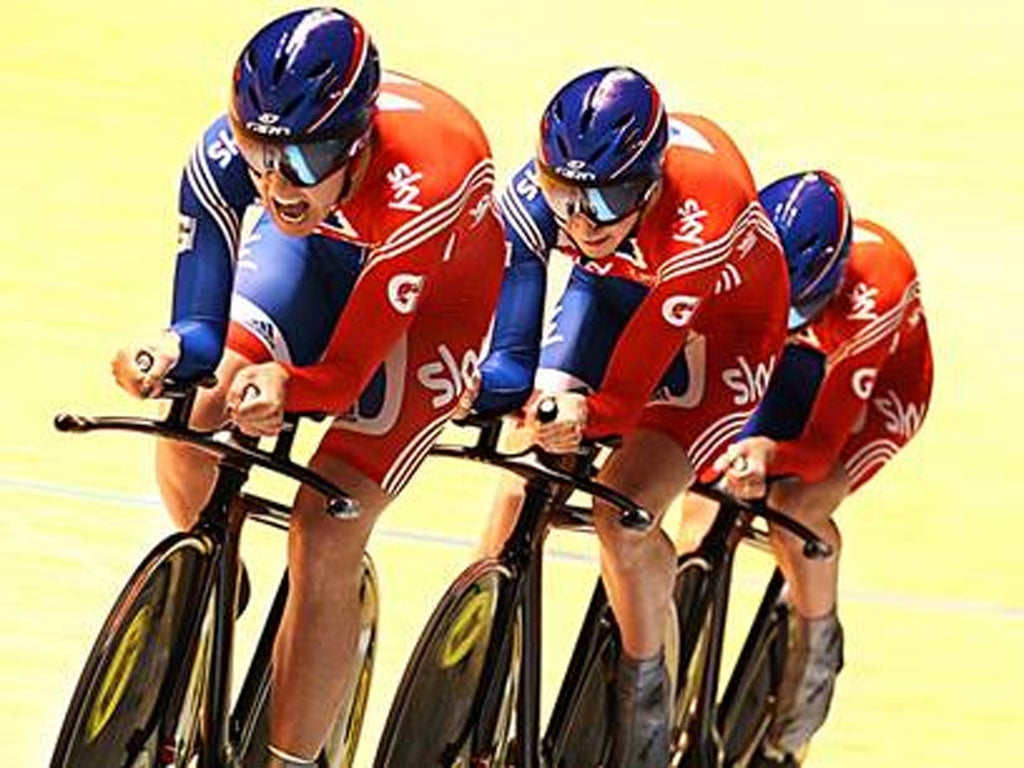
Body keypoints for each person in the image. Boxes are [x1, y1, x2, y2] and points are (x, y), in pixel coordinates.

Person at [109, 8, 506, 766]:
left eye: (303, 158)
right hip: (317, 260)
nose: (274, 180)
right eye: (260, 156)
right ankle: (218, 577)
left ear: (358, 141)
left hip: (432, 302)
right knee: (192, 413)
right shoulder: (224, 155)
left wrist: (288, 387)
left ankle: (287, 759)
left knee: (325, 528)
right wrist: (166, 352)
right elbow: (199, 328)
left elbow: (340, 380)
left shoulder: (430, 176)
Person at [473, 66, 790, 767]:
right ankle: (472, 669)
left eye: (605, 202)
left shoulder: (707, 207)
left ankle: (644, 713)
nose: (581, 222)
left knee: (627, 511)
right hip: (616, 292)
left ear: (649, 183)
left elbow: (627, 390)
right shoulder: (555, 196)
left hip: (721, 333)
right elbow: (514, 326)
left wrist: (594, 412)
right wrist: (506, 386)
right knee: (521, 479)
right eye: (565, 199)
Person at [680, 170, 933, 766]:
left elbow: (819, 449)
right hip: (795, 364)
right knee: (700, 500)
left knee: (798, 504)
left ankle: (816, 645)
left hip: (872, 393)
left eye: (800, 305)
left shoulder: (873, 295)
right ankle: (675, 653)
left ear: (834, 279)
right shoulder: (742, 250)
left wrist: (771, 454)